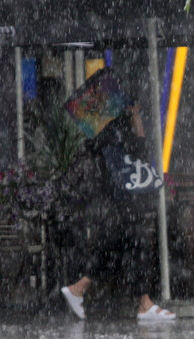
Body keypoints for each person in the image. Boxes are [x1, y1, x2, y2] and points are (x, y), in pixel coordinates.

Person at [59, 102, 176, 322]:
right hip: (122, 202)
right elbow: (141, 151)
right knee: (132, 241)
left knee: (114, 246)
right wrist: (136, 119)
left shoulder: (100, 136)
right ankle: (143, 303)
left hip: (110, 204)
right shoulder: (116, 134)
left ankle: (81, 288)